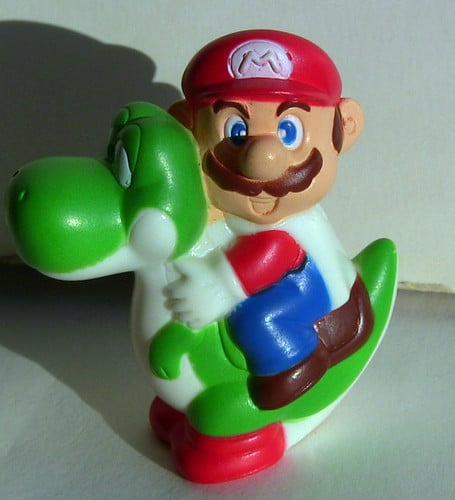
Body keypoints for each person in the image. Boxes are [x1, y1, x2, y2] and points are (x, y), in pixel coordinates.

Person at [167, 29, 373, 410]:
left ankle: (294, 367)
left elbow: (275, 250)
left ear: (344, 128)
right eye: (236, 131)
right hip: (267, 275)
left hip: (311, 284)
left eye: (288, 132)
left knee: (257, 321)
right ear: (186, 129)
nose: (261, 159)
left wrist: (223, 286)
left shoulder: (291, 225)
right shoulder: (212, 210)